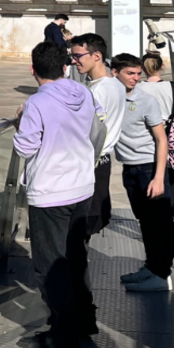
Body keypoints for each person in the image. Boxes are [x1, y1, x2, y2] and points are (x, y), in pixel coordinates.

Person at [13, 40, 97, 348]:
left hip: (51, 192)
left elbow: (25, 147)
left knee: (50, 266)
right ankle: (85, 322)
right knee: (76, 257)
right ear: (65, 67)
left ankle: (63, 335)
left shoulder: (37, 103)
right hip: (81, 186)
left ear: (33, 70)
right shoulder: (84, 93)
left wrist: (20, 123)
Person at [112, 52, 174, 292]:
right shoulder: (110, 98)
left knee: (160, 223)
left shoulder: (146, 100)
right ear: (114, 73)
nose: (135, 78)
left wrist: (159, 178)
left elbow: (162, 139)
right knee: (146, 222)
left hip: (150, 167)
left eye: (138, 73)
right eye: (130, 73)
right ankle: (151, 267)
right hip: (129, 167)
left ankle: (161, 275)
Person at [69, 33, 126, 236]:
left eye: (78, 56)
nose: (74, 61)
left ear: (96, 56)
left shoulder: (97, 91)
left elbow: (85, 129)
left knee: (81, 225)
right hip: (102, 160)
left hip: (90, 160)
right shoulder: (117, 85)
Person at [135, 52, 174, 122]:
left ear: (143, 69)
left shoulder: (136, 88)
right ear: (162, 66)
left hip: (143, 129)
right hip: (169, 130)